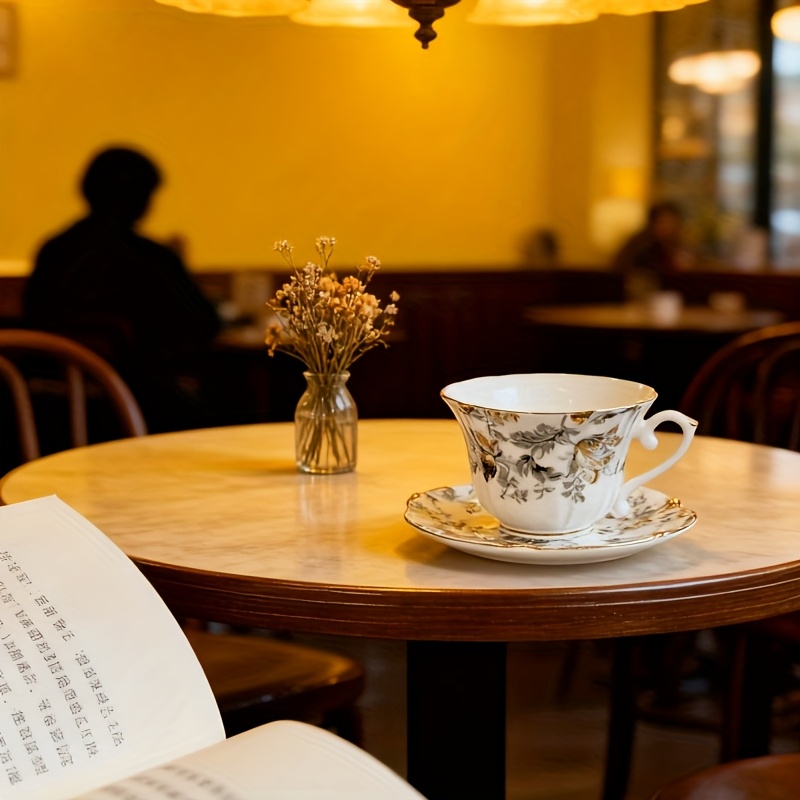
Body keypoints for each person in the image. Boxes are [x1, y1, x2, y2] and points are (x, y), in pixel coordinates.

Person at [24, 146, 221, 432]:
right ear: (142, 198)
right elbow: (203, 325)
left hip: (46, 402)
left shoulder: (53, 250)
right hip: (130, 401)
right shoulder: (149, 257)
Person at [611, 200, 696, 298]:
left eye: (673, 222)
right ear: (652, 223)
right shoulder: (641, 246)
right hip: (639, 300)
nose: (669, 227)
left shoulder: (677, 245)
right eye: (664, 222)